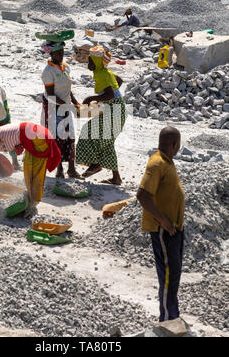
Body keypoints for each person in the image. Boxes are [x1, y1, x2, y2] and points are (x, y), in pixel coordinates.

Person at [136, 126, 185, 323]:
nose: (179, 148)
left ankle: (172, 315)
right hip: (164, 231)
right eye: (178, 145)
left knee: (172, 276)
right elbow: (142, 195)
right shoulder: (157, 164)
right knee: (167, 277)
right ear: (174, 144)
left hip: (173, 230)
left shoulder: (166, 162)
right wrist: (164, 222)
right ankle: (166, 320)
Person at [76, 46, 127, 185]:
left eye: (91, 61)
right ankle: (116, 178)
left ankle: (95, 164)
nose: (89, 64)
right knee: (107, 142)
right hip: (117, 108)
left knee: (88, 130)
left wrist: (91, 99)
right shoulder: (105, 71)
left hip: (114, 110)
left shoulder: (102, 74)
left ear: (98, 62)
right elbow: (119, 81)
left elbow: (109, 94)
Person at [40, 37, 81, 179]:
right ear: (51, 54)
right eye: (57, 52)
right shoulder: (48, 71)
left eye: (62, 51)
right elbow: (51, 95)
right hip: (53, 108)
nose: (60, 54)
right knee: (57, 138)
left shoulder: (65, 67)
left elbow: (68, 89)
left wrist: (75, 103)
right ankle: (59, 170)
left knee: (70, 137)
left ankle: (71, 169)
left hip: (65, 105)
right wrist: (67, 105)